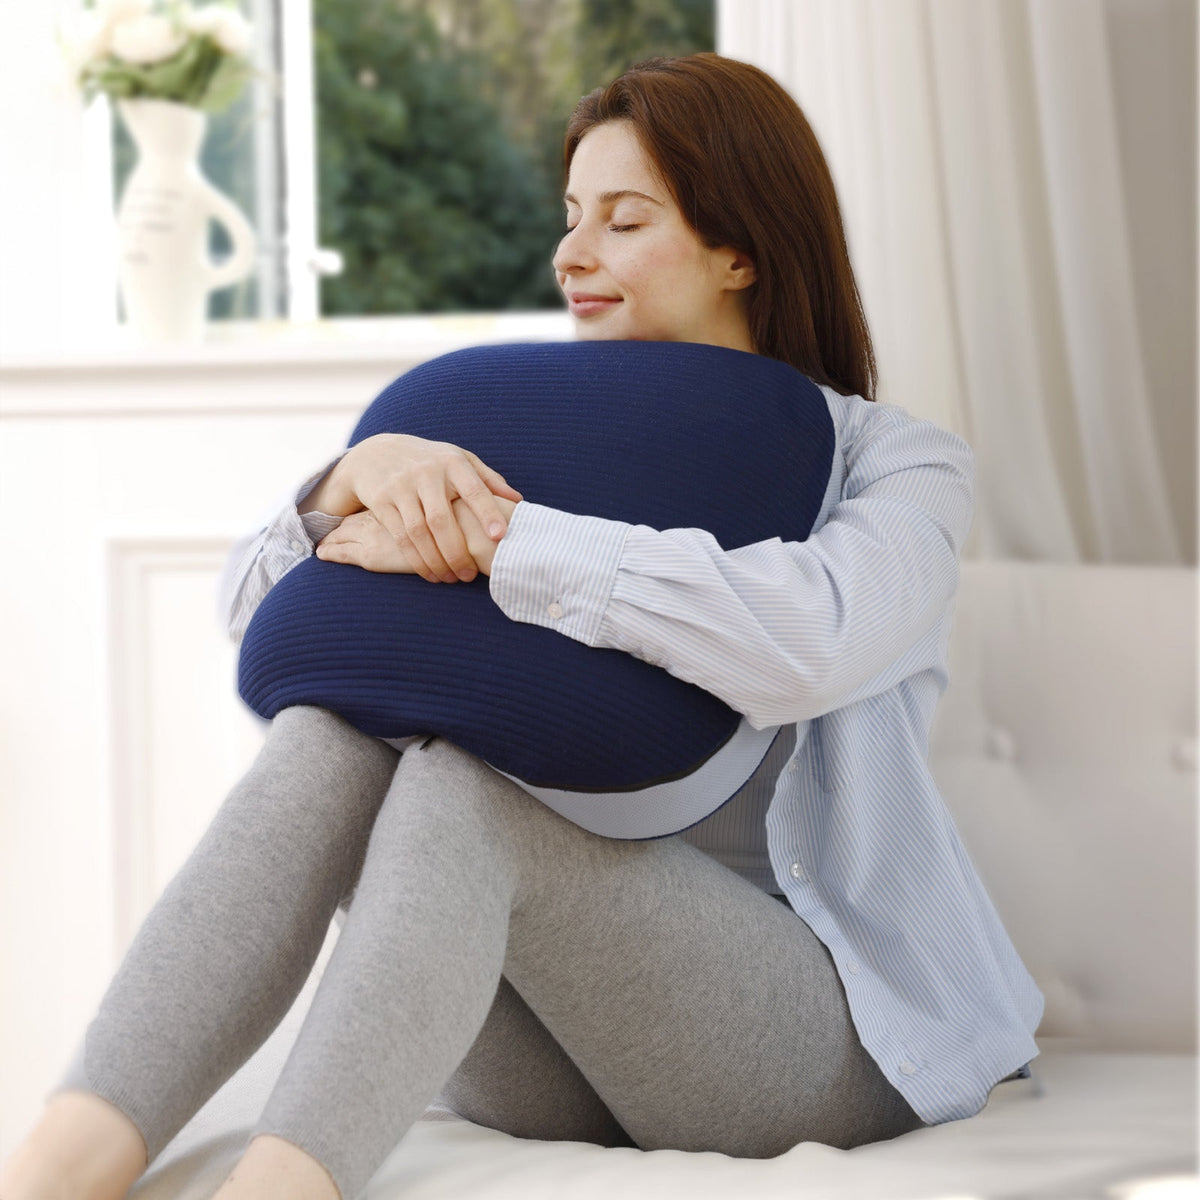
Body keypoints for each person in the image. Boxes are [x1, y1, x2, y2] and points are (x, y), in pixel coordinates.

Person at [0, 52, 1043, 1200]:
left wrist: (504, 539)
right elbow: (267, 626)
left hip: (809, 1031)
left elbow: (807, 642)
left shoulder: (897, 464)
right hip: (549, 1027)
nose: (570, 255)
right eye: (570, 218)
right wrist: (354, 480)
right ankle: (57, 1170)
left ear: (740, 248)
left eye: (624, 219)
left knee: (461, 790)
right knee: (337, 733)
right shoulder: (516, 431)